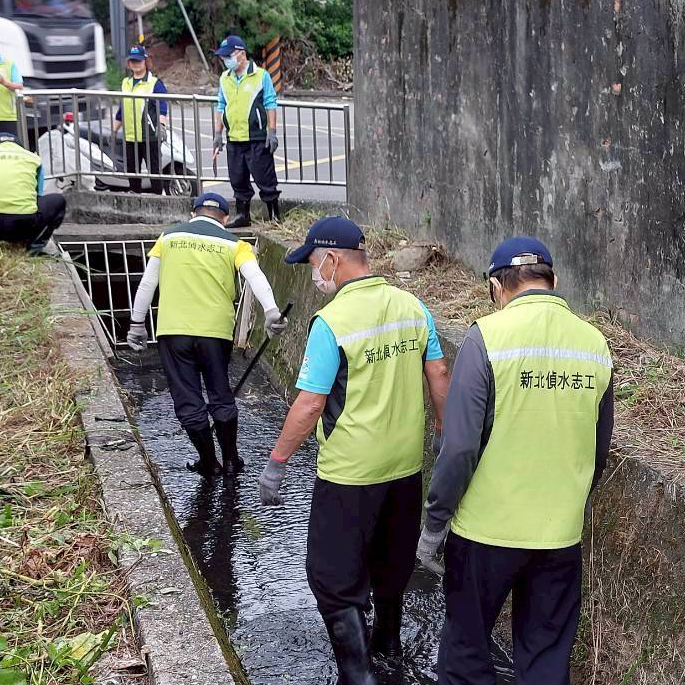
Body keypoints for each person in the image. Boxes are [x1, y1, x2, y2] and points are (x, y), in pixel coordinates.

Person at [257, 216, 450, 685]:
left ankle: (359, 674)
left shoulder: (332, 321)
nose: (313, 274)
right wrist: (444, 432)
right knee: (390, 565)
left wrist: (276, 464)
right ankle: (389, 650)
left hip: (349, 475)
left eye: (313, 264)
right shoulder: (412, 307)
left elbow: (309, 405)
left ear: (333, 259)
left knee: (333, 579)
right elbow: (440, 374)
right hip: (404, 470)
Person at [416, 237, 615, 685]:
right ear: (554, 282)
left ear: (495, 286)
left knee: (466, 654)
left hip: (487, 532)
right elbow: (597, 450)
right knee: (545, 659)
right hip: (559, 535)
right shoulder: (594, 345)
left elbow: (460, 447)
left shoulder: (486, 338)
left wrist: (434, 524)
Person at [125, 192, 287, 477]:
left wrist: (137, 323)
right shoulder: (234, 243)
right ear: (225, 218)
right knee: (220, 394)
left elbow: (148, 281)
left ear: (193, 213)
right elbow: (255, 276)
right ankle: (232, 461)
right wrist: (272, 311)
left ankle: (208, 462)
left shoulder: (169, 238)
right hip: (215, 333)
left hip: (173, 332)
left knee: (188, 399)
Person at [211, 35, 280, 228]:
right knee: (238, 178)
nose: (225, 61)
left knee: (265, 178)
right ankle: (243, 215)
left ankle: (274, 215)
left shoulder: (260, 76)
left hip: (256, 136)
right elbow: (220, 105)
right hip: (234, 137)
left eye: (228, 56)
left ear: (241, 53)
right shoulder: (225, 78)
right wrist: (218, 134)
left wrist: (272, 132)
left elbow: (270, 102)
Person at [111, 45, 170, 195]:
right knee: (132, 170)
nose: (135, 64)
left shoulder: (154, 83)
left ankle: (158, 198)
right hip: (130, 135)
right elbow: (121, 109)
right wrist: (114, 130)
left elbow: (163, 106)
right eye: (132, 61)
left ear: (145, 61)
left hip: (149, 135)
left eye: (138, 61)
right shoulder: (126, 82)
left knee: (154, 170)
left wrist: (162, 125)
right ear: (129, 63)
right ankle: (135, 196)